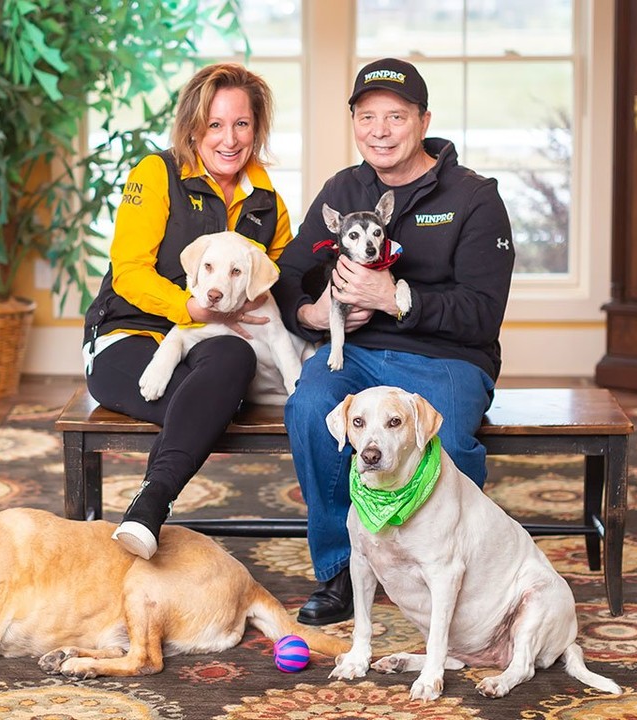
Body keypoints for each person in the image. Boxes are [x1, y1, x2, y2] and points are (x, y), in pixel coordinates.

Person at [271, 58, 515, 625]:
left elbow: (483, 313)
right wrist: (311, 313)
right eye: (367, 116)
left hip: (446, 359)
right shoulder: (344, 187)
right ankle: (339, 569)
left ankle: (449, 570)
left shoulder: (475, 198)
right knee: (311, 407)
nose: (380, 130)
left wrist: (395, 299)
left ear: (424, 120)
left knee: (445, 439)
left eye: (396, 117)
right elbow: (286, 277)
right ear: (354, 121)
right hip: (353, 354)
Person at [82, 63, 293, 560]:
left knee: (233, 365)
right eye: (215, 124)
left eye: (241, 124)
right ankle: (152, 506)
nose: (229, 139)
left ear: (256, 129)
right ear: (193, 126)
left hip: (213, 345)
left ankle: (145, 509)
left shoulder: (268, 202)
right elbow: (129, 271)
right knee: (213, 398)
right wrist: (191, 308)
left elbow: (283, 276)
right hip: (128, 337)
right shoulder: (155, 174)